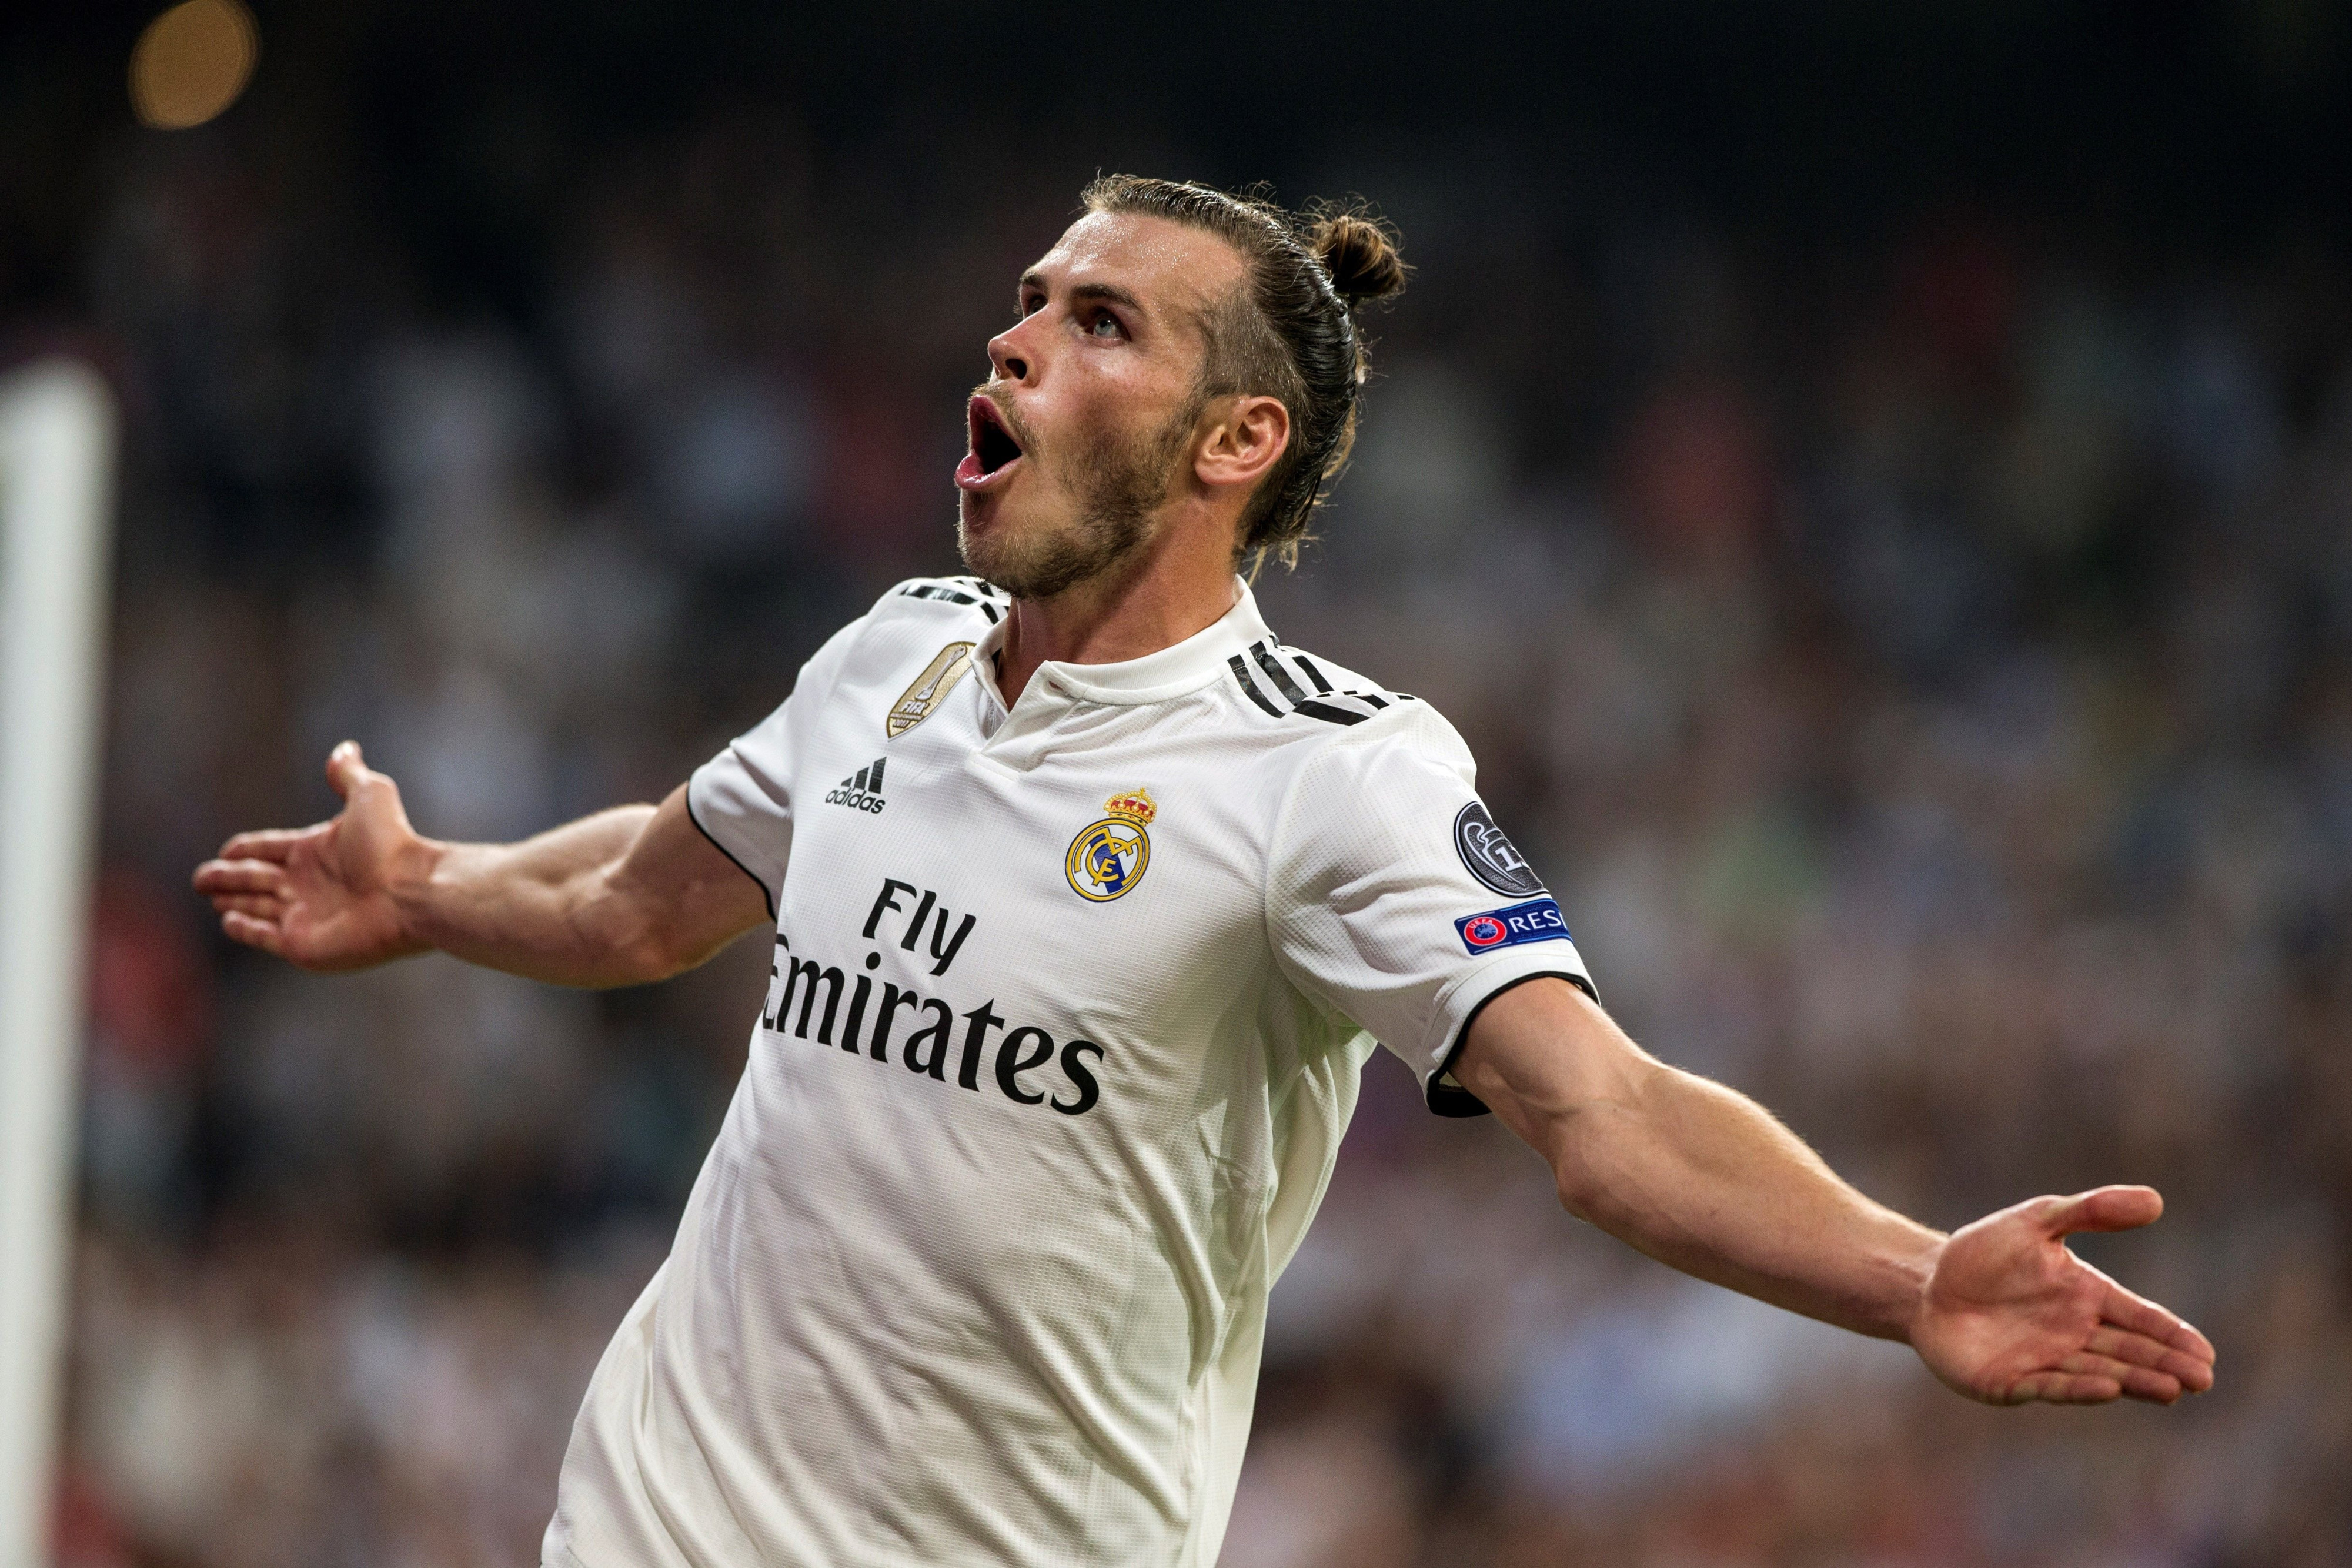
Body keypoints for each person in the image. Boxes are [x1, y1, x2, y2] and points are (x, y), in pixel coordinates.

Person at [194, 176, 2216, 1568]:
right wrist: (433, 886)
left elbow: (1603, 1114)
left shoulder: (1336, 776)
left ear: (1239, 438)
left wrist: (1908, 1272)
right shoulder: (888, 657)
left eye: (1098, 323)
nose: (1011, 342)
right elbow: (649, 894)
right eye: (1022, 305)